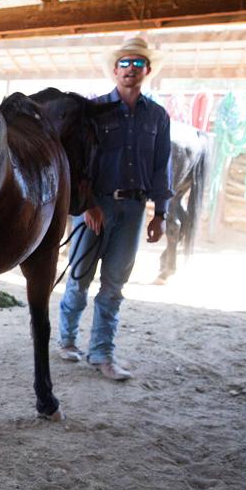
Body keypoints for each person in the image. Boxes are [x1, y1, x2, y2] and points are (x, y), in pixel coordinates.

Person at [58, 36, 172, 381]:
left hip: (134, 208)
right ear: (114, 70)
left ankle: (102, 354)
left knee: (113, 285)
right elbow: (77, 161)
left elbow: (160, 165)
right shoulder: (93, 111)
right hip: (96, 206)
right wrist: (87, 203)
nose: (131, 70)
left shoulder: (157, 116)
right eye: (125, 64)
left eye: (138, 64)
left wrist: (161, 213)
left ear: (147, 71)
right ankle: (67, 340)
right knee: (79, 277)